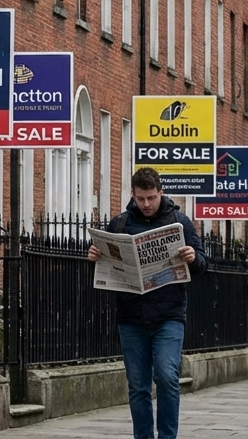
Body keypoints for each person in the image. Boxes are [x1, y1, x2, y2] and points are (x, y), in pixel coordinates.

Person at [87, 166, 207, 439]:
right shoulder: (120, 224)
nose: (146, 204)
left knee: (167, 376)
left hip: (169, 315)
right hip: (131, 317)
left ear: (160, 192)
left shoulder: (179, 222)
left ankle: (167, 436)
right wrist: (94, 258)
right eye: (140, 198)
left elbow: (202, 265)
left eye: (151, 198)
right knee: (138, 385)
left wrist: (192, 258)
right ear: (133, 194)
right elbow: (102, 272)